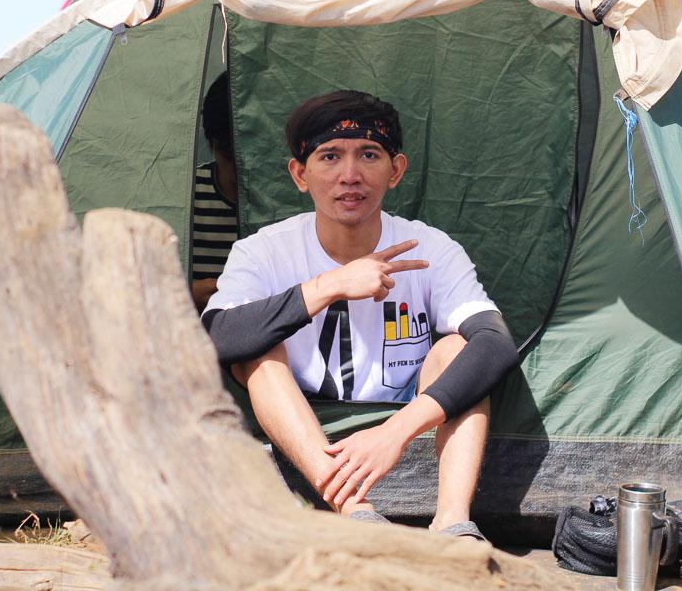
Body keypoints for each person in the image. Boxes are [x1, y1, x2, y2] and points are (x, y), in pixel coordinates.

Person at [202, 90, 519, 538]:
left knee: (457, 348)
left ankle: (452, 522)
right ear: (299, 174)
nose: (349, 176)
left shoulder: (430, 248)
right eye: (329, 156)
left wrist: (394, 433)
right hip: (303, 414)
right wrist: (330, 285)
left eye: (368, 155)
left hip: (405, 411)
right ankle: (355, 510)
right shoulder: (262, 252)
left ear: (396, 171)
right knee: (256, 355)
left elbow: (496, 344)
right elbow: (215, 337)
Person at [191, 72, 238, 310]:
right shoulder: (190, 197)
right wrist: (187, 293)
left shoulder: (297, 200)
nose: (241, 171)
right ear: (213, 146)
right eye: (231, 157)